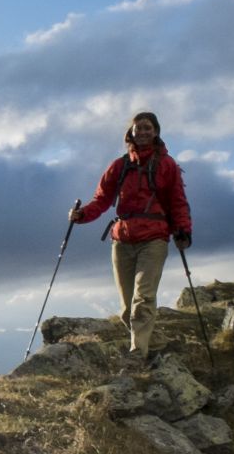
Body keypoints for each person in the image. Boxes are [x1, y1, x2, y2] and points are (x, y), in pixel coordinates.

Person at [70, 111, 192, 360]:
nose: (143, 132)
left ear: (156, 131)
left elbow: (178, 201)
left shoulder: (167, 165)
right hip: (122, 239)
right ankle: (157, 344)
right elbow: (101, 200)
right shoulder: (120, 165)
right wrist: (82, 215)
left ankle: (137, 355)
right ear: (131, 133)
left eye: (148, 128)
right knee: (127, 310)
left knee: (143, 298)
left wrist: (183, 230)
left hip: (155, 238)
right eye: (139, 128)